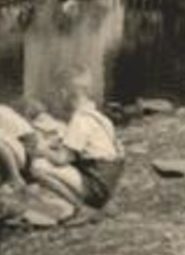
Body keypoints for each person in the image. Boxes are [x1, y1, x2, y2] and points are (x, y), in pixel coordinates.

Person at [28, 69, 125, 210]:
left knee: (38, 167)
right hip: (106, 181)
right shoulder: (99, 117)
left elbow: (62, 159)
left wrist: (41, 149)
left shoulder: (80, 120)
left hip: (95, 185)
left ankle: (81, 208)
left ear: (64, 93)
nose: (59, 99)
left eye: (59, 94)